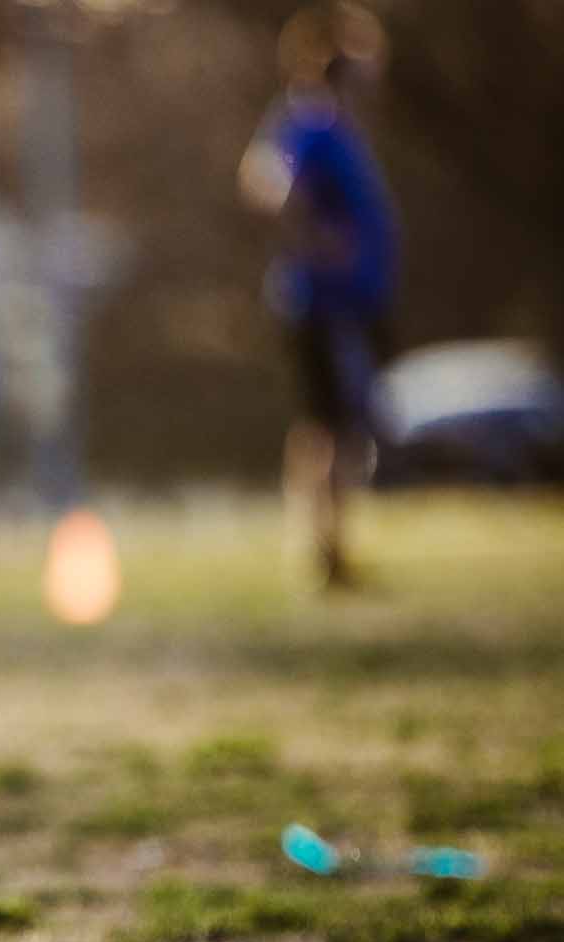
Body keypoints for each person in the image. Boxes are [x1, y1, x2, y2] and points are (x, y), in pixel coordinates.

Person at [238, 2, 399, 590]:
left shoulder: (339, 127)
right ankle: (324, 552)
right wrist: (313, 237)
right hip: (321, 304)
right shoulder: (312, 120)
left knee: (341, 428)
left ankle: (332, 548)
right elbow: (266, 184)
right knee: (329, 429)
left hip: (347, 304)